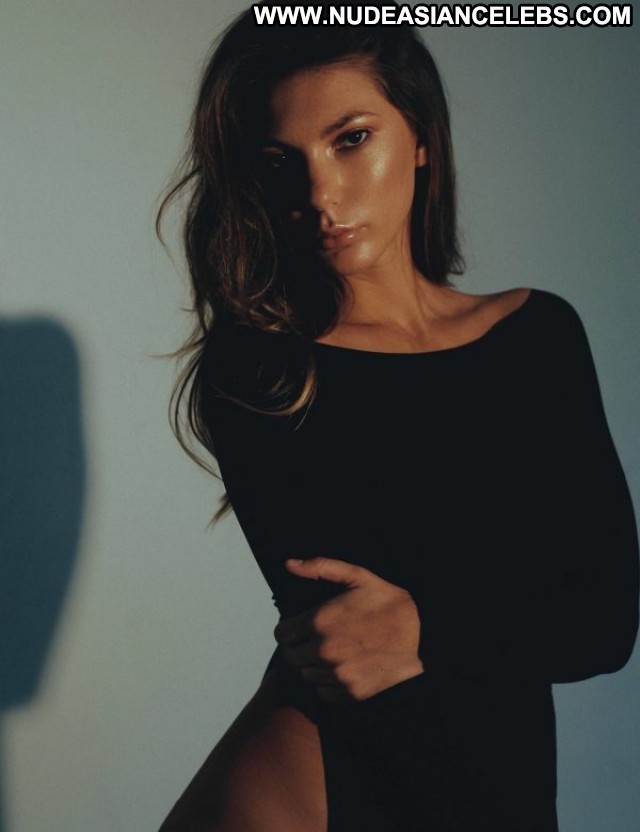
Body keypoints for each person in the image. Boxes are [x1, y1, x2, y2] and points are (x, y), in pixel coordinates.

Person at [155, 3, 639, 830]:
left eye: (351, 139)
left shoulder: (539, 335)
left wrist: (426, 622)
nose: (320, 193)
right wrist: (479, 612)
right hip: (325, 791)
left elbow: (602, 623)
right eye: (280, 162)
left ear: (420, 137)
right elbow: (353, 643)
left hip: (492, 784)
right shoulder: (264, 377)